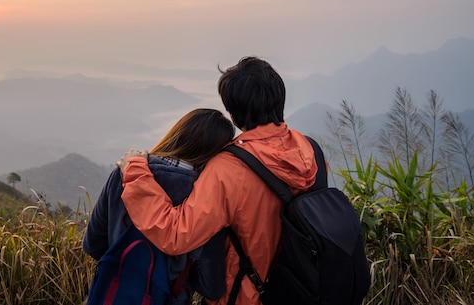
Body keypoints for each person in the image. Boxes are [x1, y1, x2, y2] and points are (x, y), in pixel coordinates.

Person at [117, 56, 319, 305]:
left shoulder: (229, 169)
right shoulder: (309, 151)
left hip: (246, 296)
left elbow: (176, 234)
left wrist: (135, 171)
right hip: (300, 290)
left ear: (234, 116)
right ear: (280, 98)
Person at [83, 108, 235, 304]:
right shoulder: (206, 198)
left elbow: (93, 244)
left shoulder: (125, 173)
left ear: (177, 134)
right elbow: (211, 287)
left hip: (113, 294)